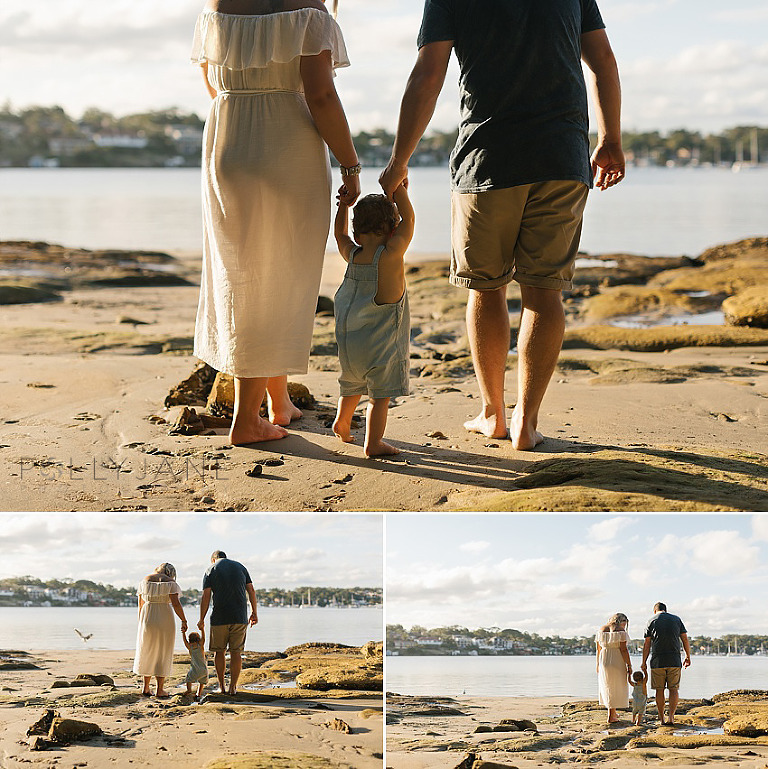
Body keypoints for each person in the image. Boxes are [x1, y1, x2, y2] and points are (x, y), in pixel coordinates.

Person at [379, 0, 624, 450]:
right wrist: (610, 138)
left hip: (488, 160)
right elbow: (603, 61)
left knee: (486, 288)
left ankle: (493, 413)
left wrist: (399, 161)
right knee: (544, 292)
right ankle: (526, 423)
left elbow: (428, 75)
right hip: (562, 158)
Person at [191, 0, 360, 446]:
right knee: (281, 274)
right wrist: (351, 165)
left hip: (227, 138)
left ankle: (277, 401)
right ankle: (246, 421)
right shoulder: (306, 8)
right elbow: (321, 95)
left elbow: (210, 78)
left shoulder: (218, 5)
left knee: (243, 271)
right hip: (287, 144)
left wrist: (244, 110)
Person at [332, 185, 415, 457]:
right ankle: (374, 442)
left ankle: (343, 423)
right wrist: (400, 192)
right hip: (381, 347)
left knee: (352, 385)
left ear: (358, 233)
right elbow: (410, 221)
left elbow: (340, 234)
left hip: (350, 344)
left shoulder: (352, 254)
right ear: (392, 230)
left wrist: (343, 206)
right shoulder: (391, 255)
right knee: (379, 397)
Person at [199, 550, 258, 695]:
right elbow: (251, 591)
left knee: (219, 652)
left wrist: (201, 619)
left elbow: (206, 597)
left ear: (213, 559)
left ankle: (222, 686)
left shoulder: (210, 570)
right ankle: (233, 687)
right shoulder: (241, 567)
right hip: (240, 616)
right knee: (236, 653)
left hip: (220, 617)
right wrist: (254, 612)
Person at [133, 563, 188, 698]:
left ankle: (146, 687)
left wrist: (142, 621)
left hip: (147, 616)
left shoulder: (144, 581)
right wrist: (183, 620)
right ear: (171, 572)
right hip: (164, 617)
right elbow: (175, 604)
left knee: (147, 650)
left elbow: (140, 604)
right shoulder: (171, 583)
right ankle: (160, 689)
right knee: (163, 651)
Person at [642, 602, 691, 725]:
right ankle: (671, 718)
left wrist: (643, 662)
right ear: (665, 610)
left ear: (654, 611)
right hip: (674, 660)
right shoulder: (676, 619)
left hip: (658, 661)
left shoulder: (651, 621)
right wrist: (687, 656)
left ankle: (661, 718)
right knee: (673, 690)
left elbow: (647, 644)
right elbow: (684, 638)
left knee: (659, 690)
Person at [596, 612, 632, 724]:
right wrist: (629, 665)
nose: (624, 626)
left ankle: (612, 713)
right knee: (617, 686)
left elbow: (598, 649)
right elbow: (623, 650)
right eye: (624, 624)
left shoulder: (601, 629)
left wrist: (597, 663)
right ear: (622, 621)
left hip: (604, 659)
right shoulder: (620, 631)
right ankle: (611, 716)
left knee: (607, 685)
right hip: (617, 659)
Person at [182, 627, 208, 700]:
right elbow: (204, 638)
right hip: (204, 670)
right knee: (202, 681)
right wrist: (202, 629)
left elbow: (185, 641)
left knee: (188, 678)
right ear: (198, 640)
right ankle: (199, 694)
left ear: (190, 640)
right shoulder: (201, 646)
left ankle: (189, 690)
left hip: (195, 670)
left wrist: (183, 633)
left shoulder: (190, 647)